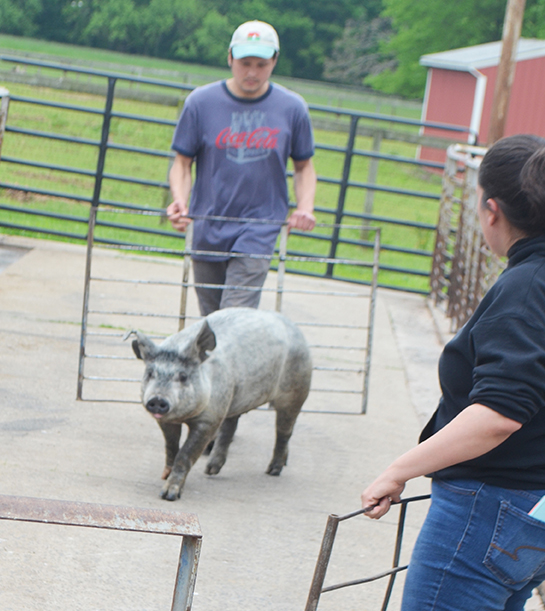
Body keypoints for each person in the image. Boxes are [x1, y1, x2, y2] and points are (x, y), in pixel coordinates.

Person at [361, 134, 545, 611]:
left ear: (491, 210)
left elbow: (499, 413)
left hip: (488, 507)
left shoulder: (525, 291)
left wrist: (399, 468)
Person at [166, 20, 316, 316]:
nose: (252, 72)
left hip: (259, 228)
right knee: (210, 321)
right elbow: (182, 163)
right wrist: (179, 201)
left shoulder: (292, 108)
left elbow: (304, 166)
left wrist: (305, 207)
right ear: (230, 58)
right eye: (245, 63)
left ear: (274, 62)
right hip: (208, 222)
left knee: (234, 314)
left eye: (261, 64)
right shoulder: (200, 103)